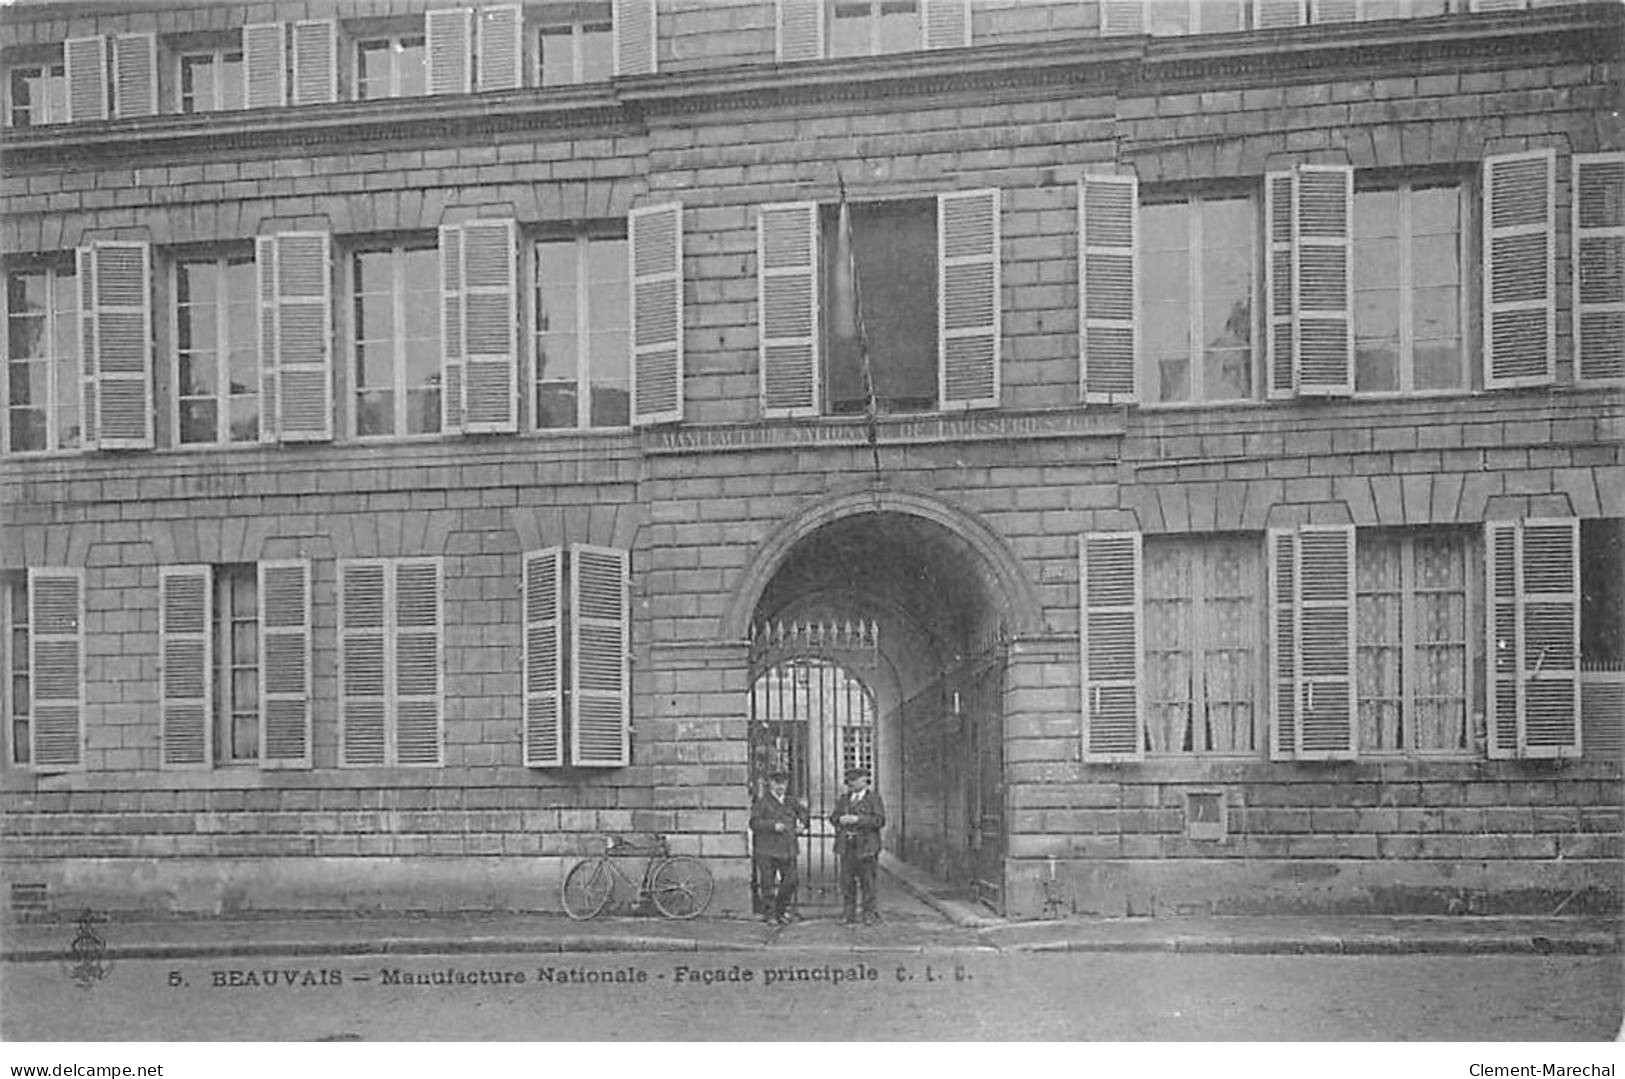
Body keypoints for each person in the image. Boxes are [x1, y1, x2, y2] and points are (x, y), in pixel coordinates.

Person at [749, 770, 808, 925]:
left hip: (788, 848)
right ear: (771, 785)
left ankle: (781, 910)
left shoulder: (791, 801)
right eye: (777, 783)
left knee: (791, 881)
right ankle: (770, 914)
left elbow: (804, 815)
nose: (781, 787)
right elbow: (754, 823)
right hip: (767, 849)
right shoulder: (762, 802)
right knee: (767, 884)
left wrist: (802, 825)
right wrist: (773, 825)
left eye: (783, 784)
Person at [830, 766, 885, 925]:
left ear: (864, 781)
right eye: (850, 781)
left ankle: (869, 913)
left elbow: (879, 820)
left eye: (855, 780)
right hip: (847, 846)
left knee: (867, 881)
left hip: (866, 847)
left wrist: (858, 820)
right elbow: (833, 817)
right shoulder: (844, 799)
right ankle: (849, 913)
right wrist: (840, 819)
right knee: (847, 881)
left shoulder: (873, 798)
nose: (852, 784)